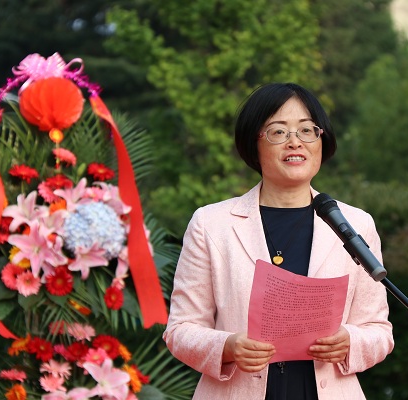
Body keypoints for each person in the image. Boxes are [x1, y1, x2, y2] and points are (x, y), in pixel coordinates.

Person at [163, 83, 394, 399]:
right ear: (253, 144)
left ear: (322, 140)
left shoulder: (355, 224)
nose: (294, 142)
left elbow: (378, 331)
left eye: (307, 130)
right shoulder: (211, 224)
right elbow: (180, 330)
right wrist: (228, 346)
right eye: (278, 132)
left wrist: (349, 342)